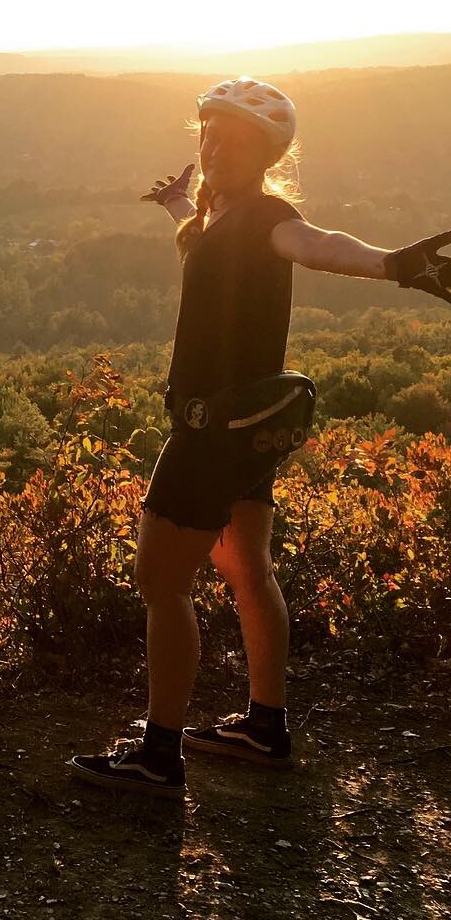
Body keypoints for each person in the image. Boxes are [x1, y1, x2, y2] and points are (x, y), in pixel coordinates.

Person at [68, 75, 451, 799]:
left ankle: (158, 755)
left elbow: (319, 244)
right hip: (252, 430)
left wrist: (398, 266)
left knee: (159, 581)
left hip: (212, 431)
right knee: (249, 570)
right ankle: (264, 727)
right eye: (208, 131)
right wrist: (178, 202)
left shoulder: (271, 216)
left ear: (269, 152)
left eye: (236, 139)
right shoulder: (220, 212)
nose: (216, 146)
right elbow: (203, 239)